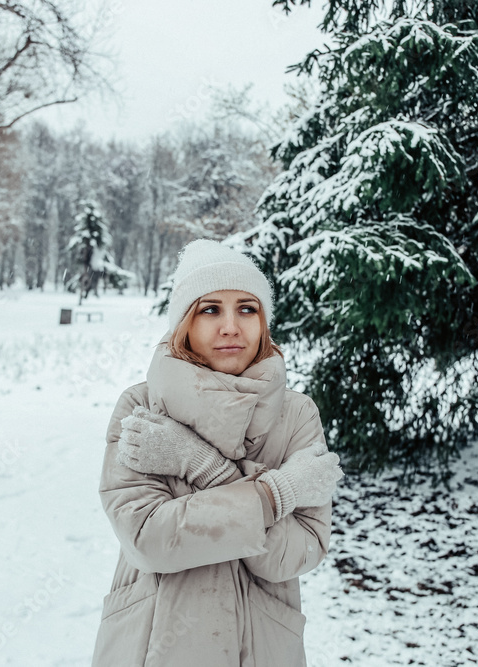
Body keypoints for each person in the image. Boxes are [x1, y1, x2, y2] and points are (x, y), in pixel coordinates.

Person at [93, 239, 344, 666]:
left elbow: (295, 553)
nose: (231, 326)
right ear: (184, 323)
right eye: (210, 309)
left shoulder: (297, 415)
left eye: (247, 309)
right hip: (149, 645)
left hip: (261, 647)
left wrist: (204, 468)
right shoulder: (141, 408)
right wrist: (277, 494)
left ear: (263, 321)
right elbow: (150, 541)